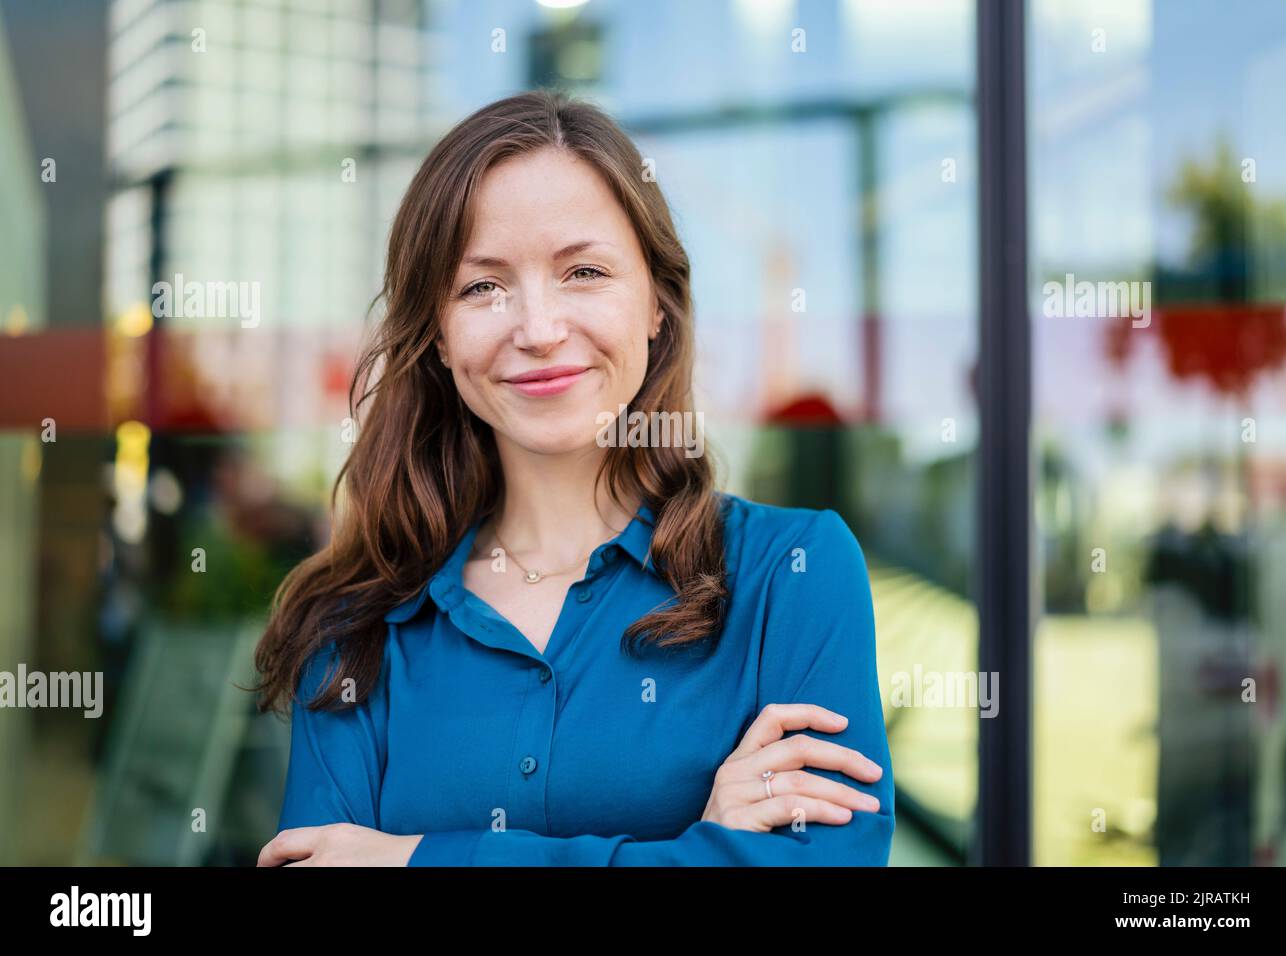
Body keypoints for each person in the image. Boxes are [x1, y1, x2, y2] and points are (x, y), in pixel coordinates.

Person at [253, 89, 893, 866]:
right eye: (482, 286)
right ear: (440, 336)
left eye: (583, 271)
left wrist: (410, 857)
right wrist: (704, 847)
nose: (539, 329)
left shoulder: (794, 574)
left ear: (657, 304)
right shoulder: (354, 626)